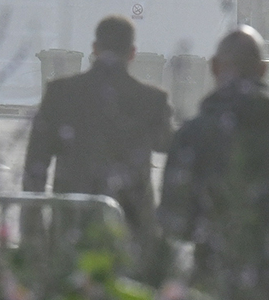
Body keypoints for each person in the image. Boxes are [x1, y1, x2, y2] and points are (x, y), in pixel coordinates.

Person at [158, 27, 269, 282]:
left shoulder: (194, 134)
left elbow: (173, 220)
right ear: (264, 70)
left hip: (215, 280)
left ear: (214, 68)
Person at [20, 14, 174, 234]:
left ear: (95, 48)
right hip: (131, 223)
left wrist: (32, 227)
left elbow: (35, 164)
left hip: (71, 219)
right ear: (132, 53)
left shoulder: (61, 93)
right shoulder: (151, 100)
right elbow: (166, 144)